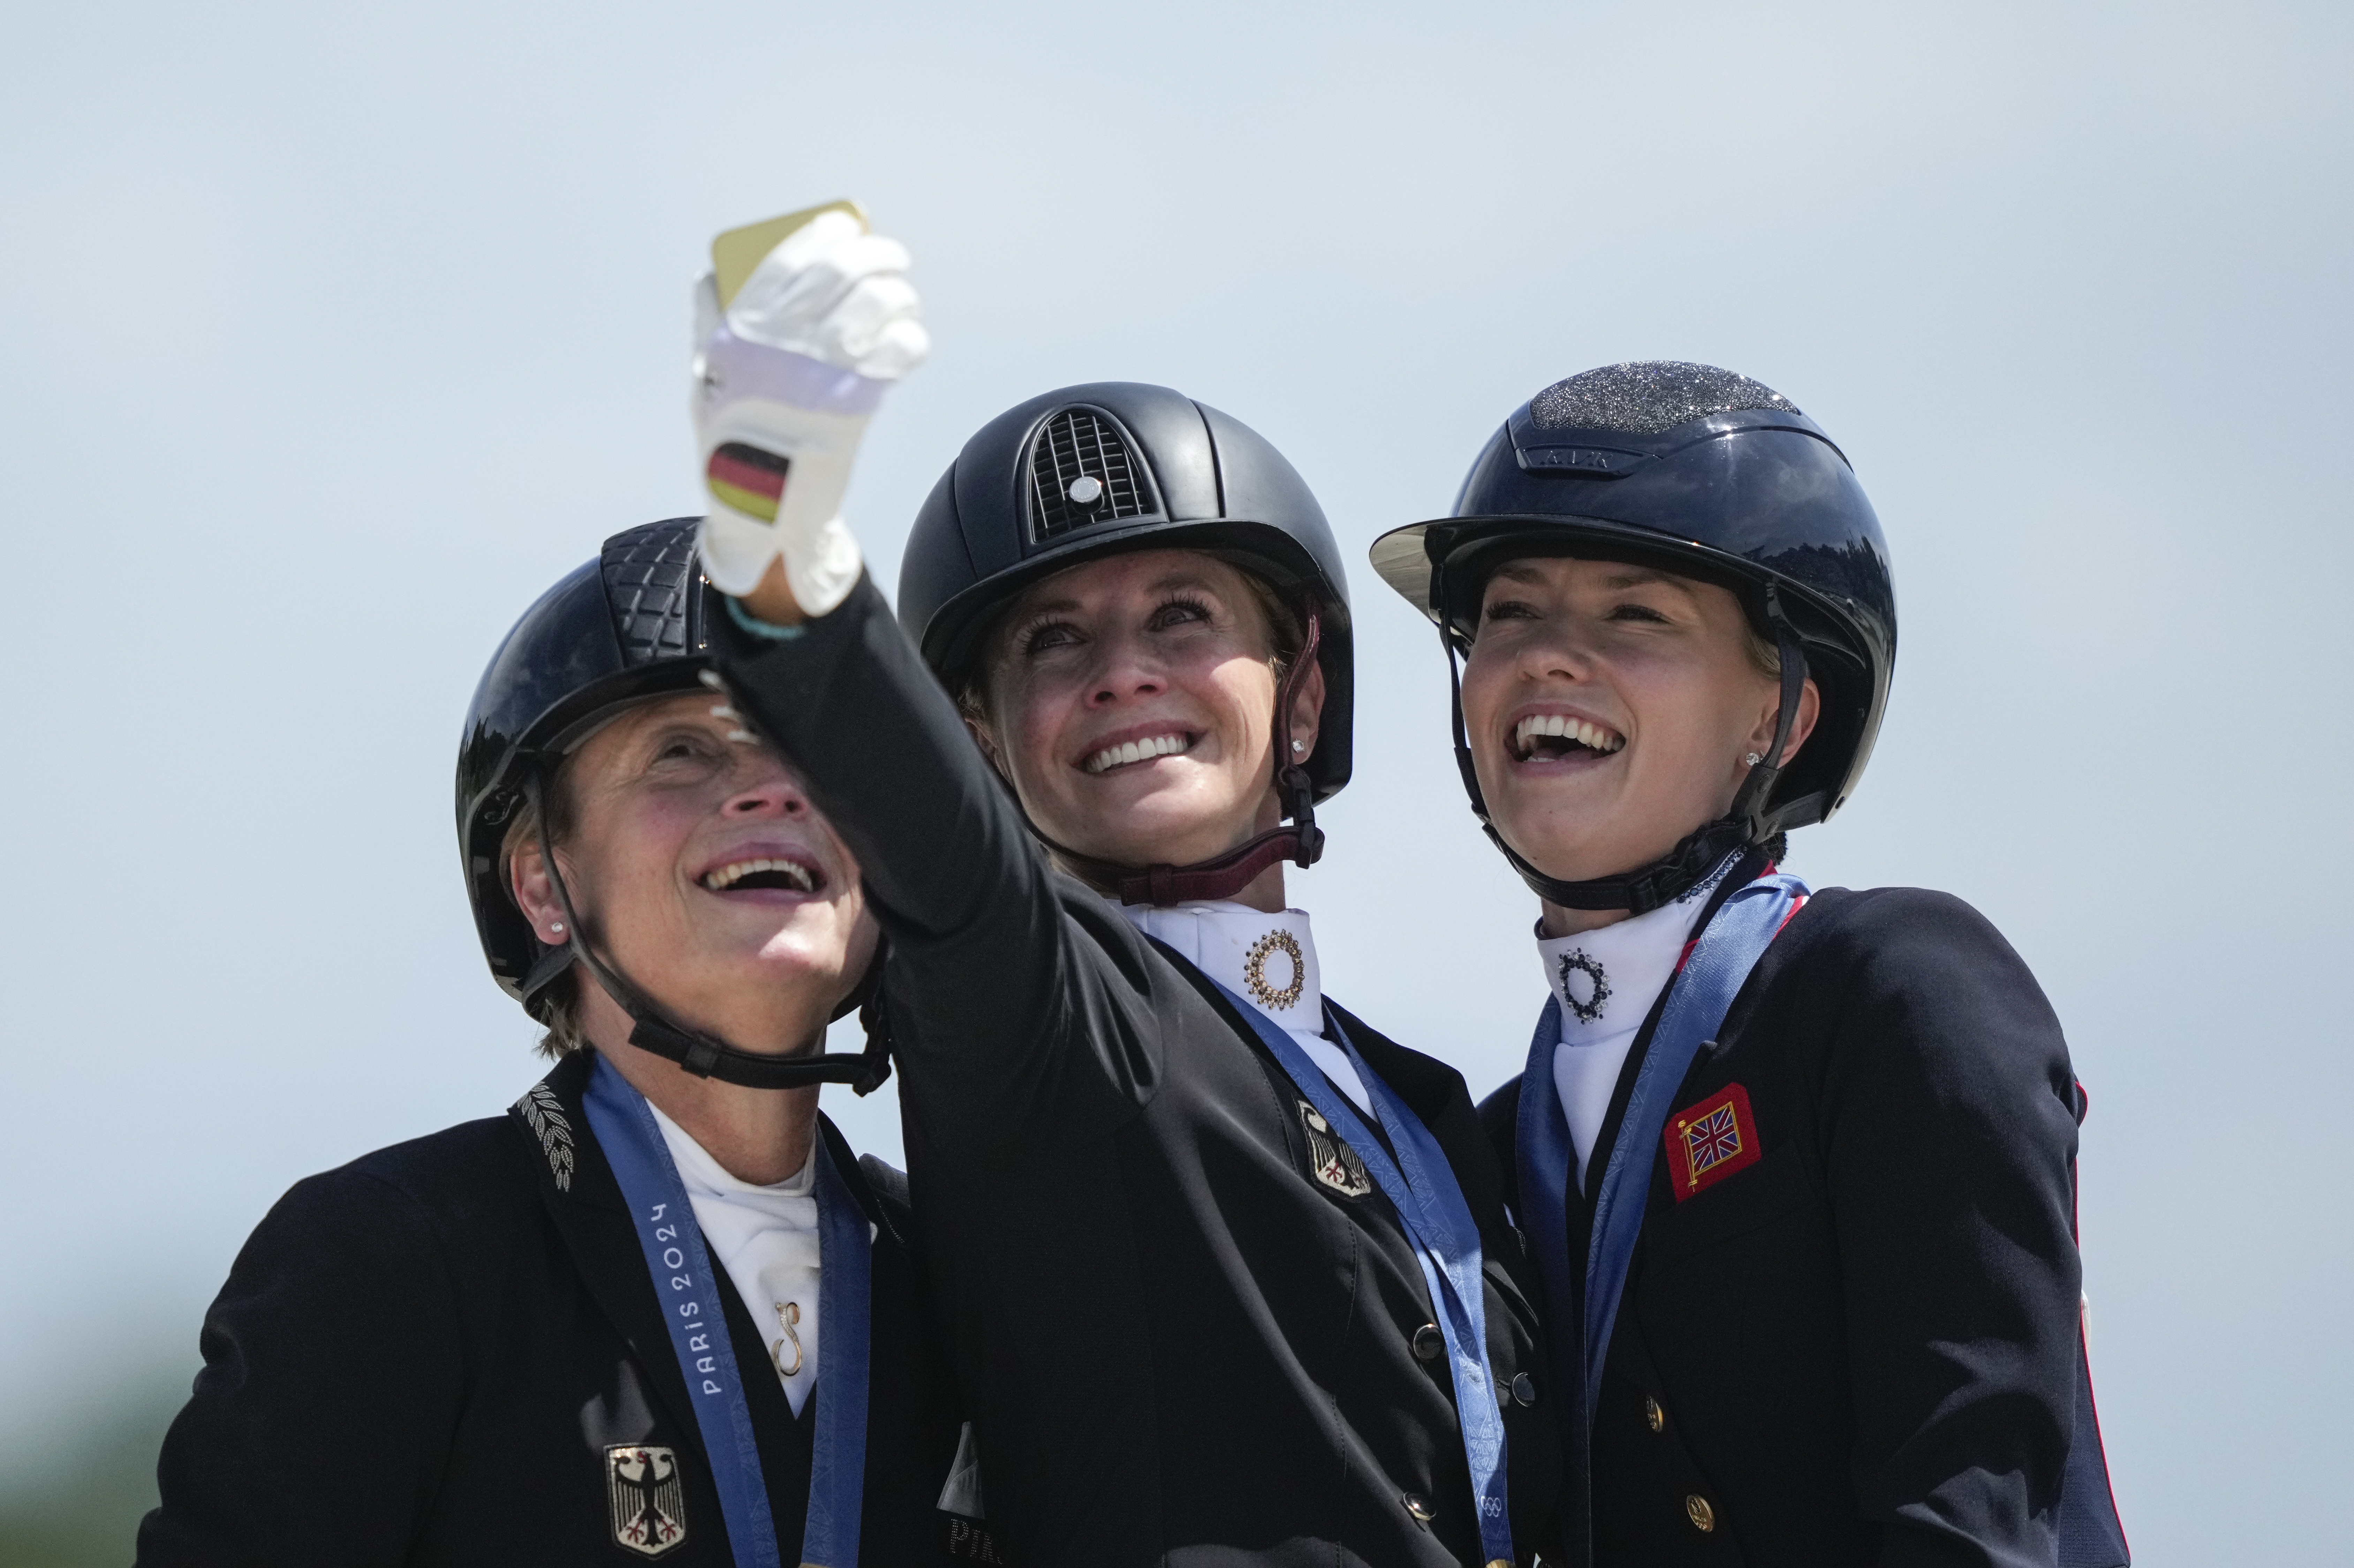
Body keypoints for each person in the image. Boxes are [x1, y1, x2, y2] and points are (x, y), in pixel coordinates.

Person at [683, 212, 1560, 1567]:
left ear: (1305, 688)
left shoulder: (1434, 1117)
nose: (1120, 674)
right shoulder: (1038, 1018)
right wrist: (774, 525)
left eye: (1181, 617)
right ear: (980, 740)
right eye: (1052, 642)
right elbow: (948, 857)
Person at [1366, 361, 2129, 1567]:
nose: (1550, 659)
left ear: (1781, 718)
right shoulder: (1499, 1147)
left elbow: (1970, 1524)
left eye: (1637, 615)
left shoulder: (1892, 990)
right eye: (1511, 612)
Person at [137, 517, 995, 1566]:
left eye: (817, 749)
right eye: (684, 750)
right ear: (545, 882)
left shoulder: (967, 1279)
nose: (775, 787)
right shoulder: (384, 1261)